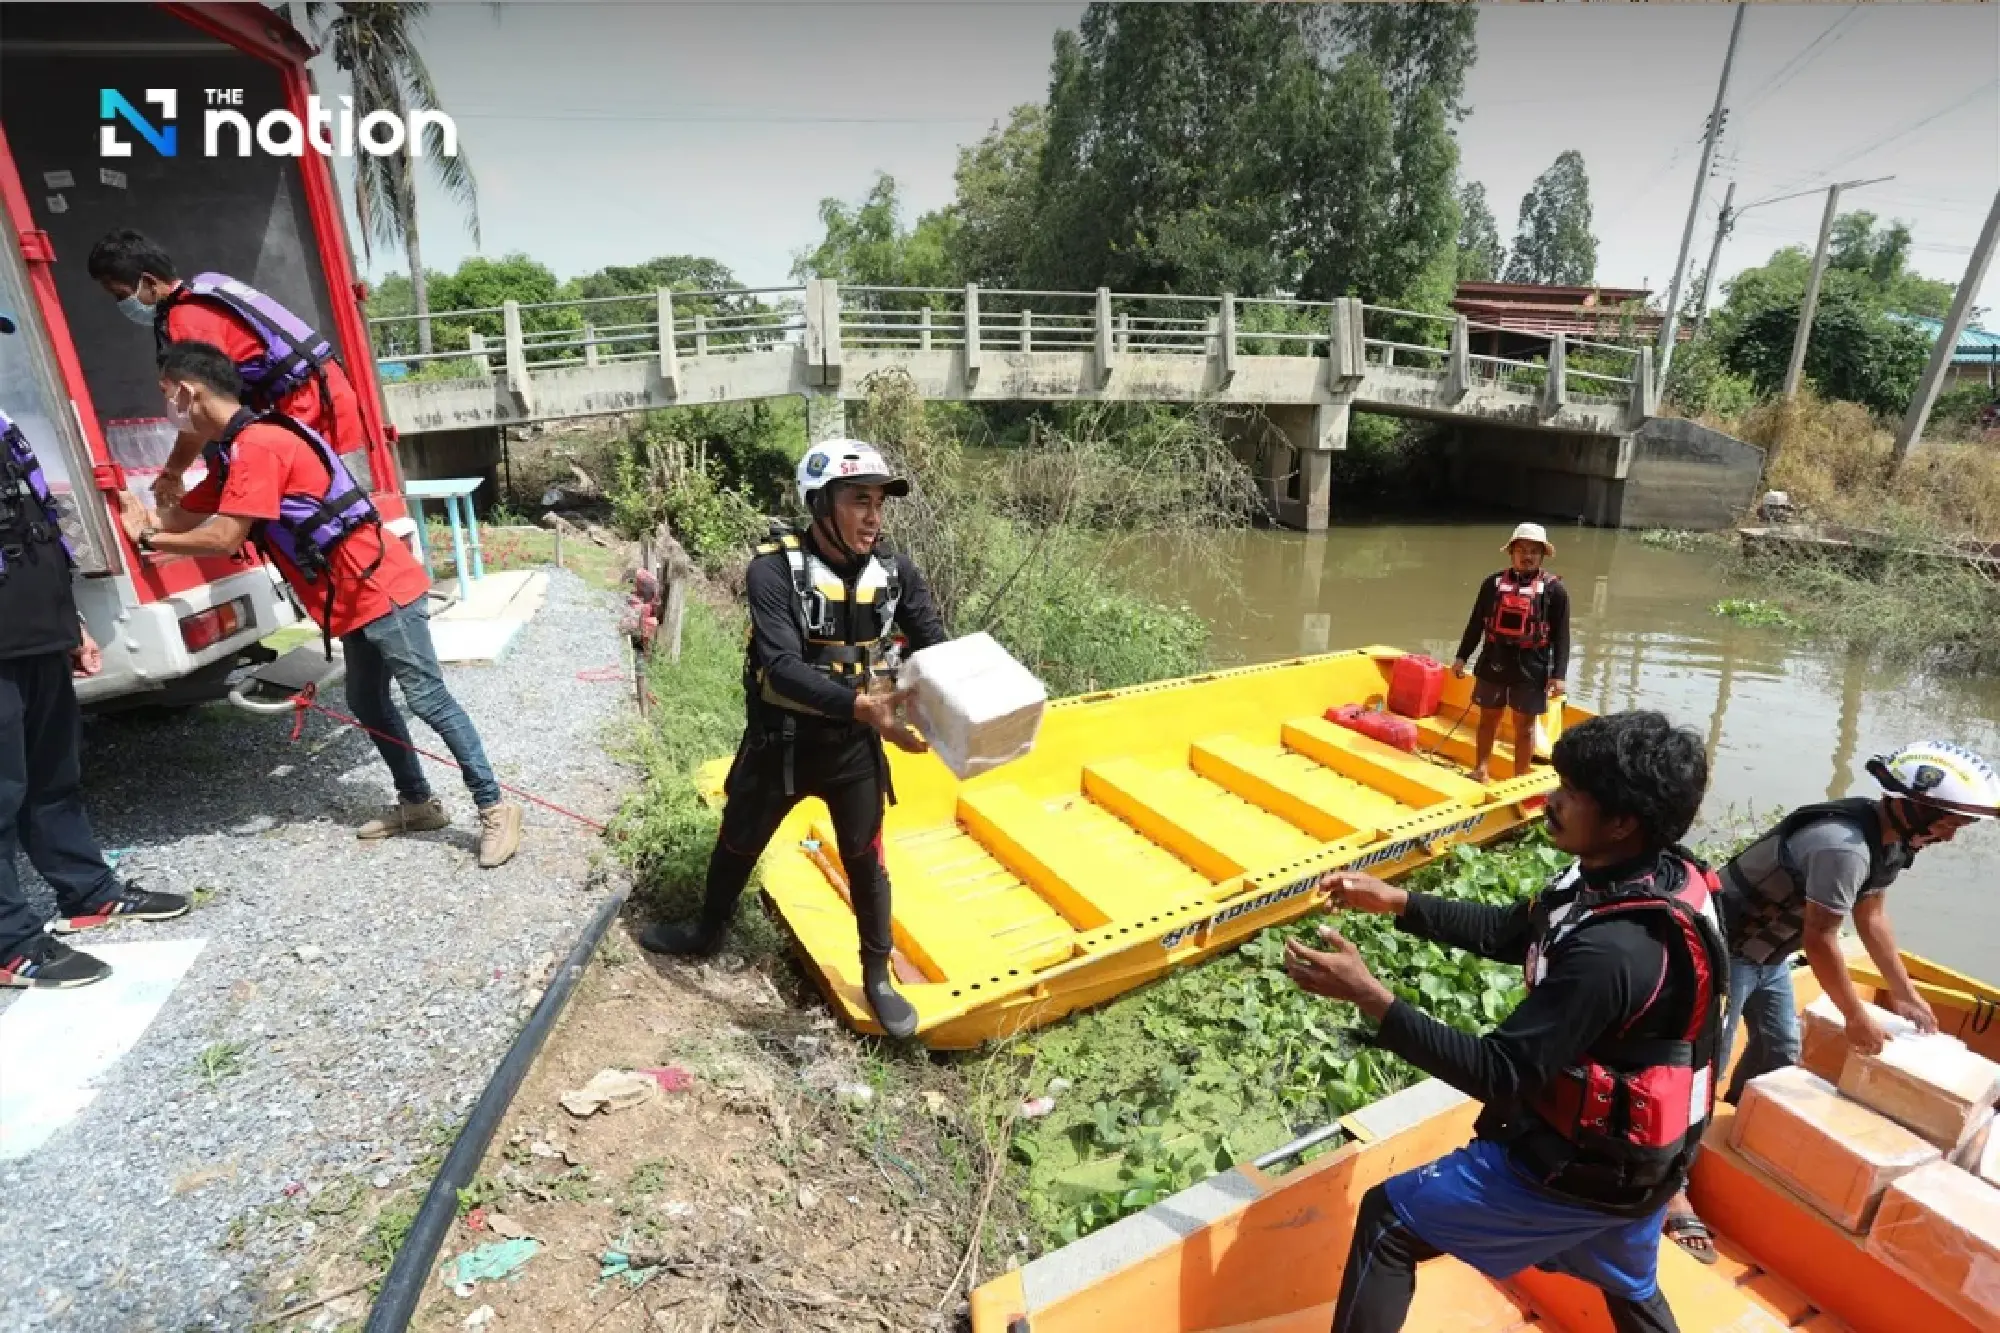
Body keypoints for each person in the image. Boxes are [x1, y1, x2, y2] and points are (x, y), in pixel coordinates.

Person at [1285, 710, 1718, 1333]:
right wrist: (1400, 901)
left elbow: (1501, 1073)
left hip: (1589, 1171)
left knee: (1389, 1221)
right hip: (1640, 1166)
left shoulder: (1616, 953)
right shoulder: (1633, 876)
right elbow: (1513, 932)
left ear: (1622, 822)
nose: (1552, 800)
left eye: (1571, 794)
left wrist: (1371, 998)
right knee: (1626, 1279)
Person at [118, 341, 521, 868]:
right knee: (369, 703)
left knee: (427, 699)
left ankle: (496, 808)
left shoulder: (259, 446)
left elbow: (220, 536)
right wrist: (147, 516)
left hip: (380, 589)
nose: (170, 411)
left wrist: (151, 541)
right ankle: (419, 804)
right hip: (348, 599)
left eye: (169, 397)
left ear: (190, 393)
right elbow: (185, 520)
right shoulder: (234, 452)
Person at [639, 438, 947, 1039]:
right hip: (779, 744)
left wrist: (964, 705)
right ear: (822, 503)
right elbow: (781, 668)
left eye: (880, 502)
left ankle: (878, 977)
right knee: (737, 841)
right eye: (860, 501)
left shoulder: (897, 571)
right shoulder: (773, 571)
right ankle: (705, 932)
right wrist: (867, 708)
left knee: (866, 860)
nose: (874, 516)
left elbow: (934, 645)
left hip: (854, 752)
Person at [1656, 740, 2000, 1264]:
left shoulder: (1890, 841)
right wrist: (1856, 1015)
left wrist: (1905, 992)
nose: (1954, 834)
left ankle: (1738, 1126)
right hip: (1723, 952)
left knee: (1778, 1045)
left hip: (1769, 956)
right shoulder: (1844, 846)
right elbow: (1820, 938)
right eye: (1951, 821)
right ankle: (1668, 1187)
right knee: (1705, 1068)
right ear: (1919, 808)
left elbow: (1873, 918)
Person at [0, 308, 188, 988]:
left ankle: (87, 894)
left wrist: (70, 622)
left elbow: (34, 531)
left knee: (53, 778)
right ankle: (11, 943)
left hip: (36, 633)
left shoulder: (3, 425)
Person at [87, 229, 368, 510]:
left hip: (307, 409)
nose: (122, 305)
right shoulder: (209, 286)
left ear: (149, 282)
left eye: (121, 295)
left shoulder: (185, 321)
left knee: (313, 511)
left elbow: (197, 412)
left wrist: (172, 473)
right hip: (327, 393)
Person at [1453, 522, 1570, 784]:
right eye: (1521, 550)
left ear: (1542, 556)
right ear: (1511, 553)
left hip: (1532, 664)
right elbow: (1475, 623)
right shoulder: (1491, 585)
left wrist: (1558, 675)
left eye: (1534, 551)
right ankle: (1481, 769)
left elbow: (1562, 636)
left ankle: (1520, 777)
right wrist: (1462, 656)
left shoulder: (1555, 590)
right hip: (1494, 659)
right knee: (1488, 719)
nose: (1527, 556)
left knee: (1525, 726)